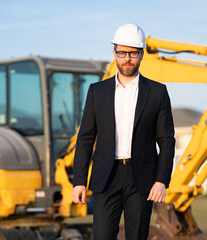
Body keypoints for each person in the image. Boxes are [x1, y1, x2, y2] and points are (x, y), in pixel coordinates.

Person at [72, 23, 175, 240]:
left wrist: (161, 180)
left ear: (141, 55)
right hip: (106, 178)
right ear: (114, 54)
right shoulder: (96, 92)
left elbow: (166, 140)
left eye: (132, 53)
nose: (127, 58)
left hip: (142, 179)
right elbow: (85, 138)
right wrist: (79, 180)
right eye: (122, 52)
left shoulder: (157, 92)